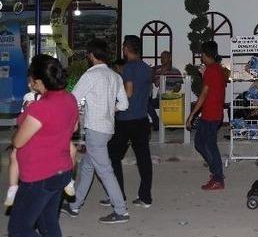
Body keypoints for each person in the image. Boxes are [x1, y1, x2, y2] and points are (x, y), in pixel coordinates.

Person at [8, 55, 80, 237]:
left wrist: (27, 113)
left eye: (32, 80)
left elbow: (18, 141)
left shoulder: (41, 108)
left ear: (40, 82)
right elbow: (74, 126)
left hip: (39, 175)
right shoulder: (69, 99)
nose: (30, 83)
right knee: (48, 224)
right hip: (61, 171)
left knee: (19, 229)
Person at [61, 39, 131, 224]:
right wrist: (108, 109)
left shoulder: (91, 75)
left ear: (91, 55)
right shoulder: (115, 76)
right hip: (108, 128)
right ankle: (74, 205)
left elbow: (73, 99)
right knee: (87, 166)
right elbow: (124, 104)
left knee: (105, 170)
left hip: (95, 128)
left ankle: (120, 210)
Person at [6, 83, 76, 207]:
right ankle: (13, 187)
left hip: (51, 134)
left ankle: (68, 179)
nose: (29, 83)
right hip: (32, 133)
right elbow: (24, 122)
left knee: (72, 150)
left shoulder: (60, 98)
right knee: (14, 155)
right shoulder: (29, 97)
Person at [108, 35, 154, 208]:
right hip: (142, 119)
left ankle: (118, 195)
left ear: (126, 49)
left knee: (113, 156)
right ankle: (145, 197)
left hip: (126, 119)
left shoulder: (128, 68)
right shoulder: (146, 68)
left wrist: (112, 104)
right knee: (144, 158)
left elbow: (128, 93)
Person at [186, 40, 227, 190]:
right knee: (199, 143)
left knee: (209, 145)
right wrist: (204, 75)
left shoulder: (211, 70)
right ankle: (216, 171)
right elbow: (215, 87)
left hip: (211, 114)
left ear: (204, 54)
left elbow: (203, 95)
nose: (201, 58)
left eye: (201, 55)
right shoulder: (217, 69)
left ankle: (218, 178)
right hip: (212, 113)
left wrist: (191, 115)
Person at [149, 51, 183, 130]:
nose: (162, 59)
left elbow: (178, 87)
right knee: (147, 103)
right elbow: (157, 84)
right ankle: (156, 122)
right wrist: (162, 73)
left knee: (171, 128)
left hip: (170, 97)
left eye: (164, 57)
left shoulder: (176, 71)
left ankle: (170, 123)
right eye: (161, 58)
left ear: (169, 58)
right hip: (159, 98)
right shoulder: (158, 71)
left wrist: (171, 94)